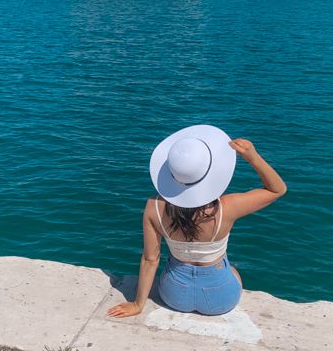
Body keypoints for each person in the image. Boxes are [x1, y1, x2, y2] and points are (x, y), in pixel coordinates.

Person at [107, 126, 287, 318]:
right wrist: (252, 157)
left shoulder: (154, 207)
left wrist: (137, 304)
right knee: (232, 270)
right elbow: (277, 189)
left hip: (174, 295)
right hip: (221, 297)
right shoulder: (229, 206)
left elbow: (150, 259)